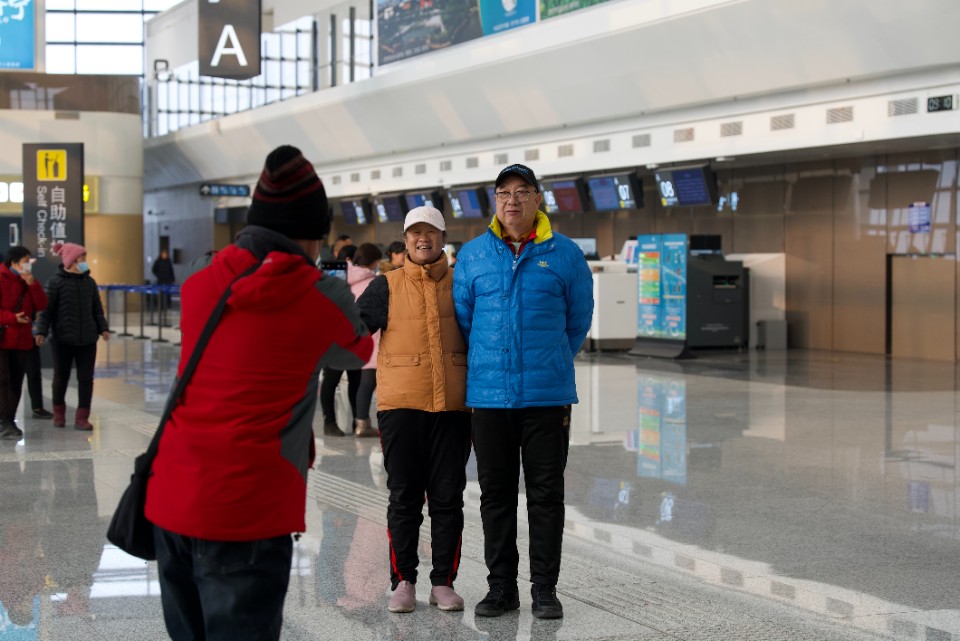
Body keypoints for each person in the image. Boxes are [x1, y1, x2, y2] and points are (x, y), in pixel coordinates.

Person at [144, 145, 373, 641]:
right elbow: (356, 351)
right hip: (249, 510)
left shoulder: (202, 282)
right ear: (311, 236)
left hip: (172, 501)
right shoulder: (319, 294)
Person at [453, 164, 594, 620]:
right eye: (503, 193)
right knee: (494, 495)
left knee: (546, 494)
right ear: (495, 202)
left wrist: (548, 358)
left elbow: (578, 321)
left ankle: (545, 589)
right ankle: (500, 588)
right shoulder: (473, 256)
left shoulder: (566, 254)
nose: (511, 201)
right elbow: (464, 320)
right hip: (490, 397)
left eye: (521, 192)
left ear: (538, 199)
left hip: (546, 396)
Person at [356, 206, 471, 614]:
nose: (423, 239)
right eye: (415, 233)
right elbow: (353, 331)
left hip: (454, 407)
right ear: (405, 241)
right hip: (400, 405)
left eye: (431, 233)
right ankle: (402, 580)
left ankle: (443, 582)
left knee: (448, 497)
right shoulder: (385, 285)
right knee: (404, 497)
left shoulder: (461, 283)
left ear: (443, 238)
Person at [35, 242, 110, 431]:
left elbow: (97, 309)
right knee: (61, 377)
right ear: (72, 260)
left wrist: (103, 328)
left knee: (86, 379)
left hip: (87, 339)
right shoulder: (56, 282)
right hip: (62, 339)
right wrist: (41, 331)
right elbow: (46, 310)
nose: (85, 261)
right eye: (82, 257)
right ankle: (59, 413)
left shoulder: (89, 282)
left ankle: (82, 418)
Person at [0, 247, 47, 440]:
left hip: (22, 340)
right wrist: (12, 317)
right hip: (3, 339)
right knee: (2, 381)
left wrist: (32, 283)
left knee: (17, 382)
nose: (28, 264)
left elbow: (42, 304)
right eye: (26, 260)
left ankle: (9, 419)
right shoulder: (1, 278)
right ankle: (4, 421)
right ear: (14, 262)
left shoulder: (27, 281)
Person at [319, 244, 361, 436]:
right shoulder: (334, 281)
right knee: (341, 380)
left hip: (343, 335)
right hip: (342, 336)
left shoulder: (330, 280)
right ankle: (341, 422)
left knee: (343, 381)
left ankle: (342, 421)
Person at [347, 243, 383, 438]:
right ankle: (363, 423)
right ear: (374, 261)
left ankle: (361, 422)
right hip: (374, 339)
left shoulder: (345, 281)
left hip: (354, 339)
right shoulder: (374, 283)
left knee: (362, 383)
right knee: (370, 383)